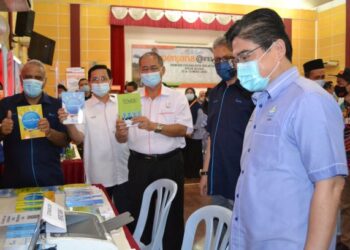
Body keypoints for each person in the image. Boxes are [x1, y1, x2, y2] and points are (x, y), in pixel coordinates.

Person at [226, 8, 347, 250]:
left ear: (278, 49)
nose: (239, 67)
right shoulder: (263, 101)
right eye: (236, 60)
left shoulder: (308, 100)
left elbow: (330, 185)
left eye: (244, 56)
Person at [116, 52, 192, 250]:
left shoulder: (177, 98)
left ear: (162, 70)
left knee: (172, 212)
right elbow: (121, 138)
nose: (148, 73)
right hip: (139, 163)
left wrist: (154, 126)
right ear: (139, 72)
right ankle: (141, 246)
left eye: (153, 68)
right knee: (140, 210)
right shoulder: (129, 100)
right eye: (144, 69)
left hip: (170, 162)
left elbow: (185, 129)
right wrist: (120, 132)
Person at [58, 65, 130, 213]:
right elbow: (78, 138)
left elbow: (133, 134)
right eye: (95, 79)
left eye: (103, 79)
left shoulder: (123, 104)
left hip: (125, 172)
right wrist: (69, 123)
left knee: (126, 216)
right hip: (98, 174)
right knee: (102, 216)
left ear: (110, 81)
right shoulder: (81, 107)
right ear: (90, 83)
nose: (99, 83)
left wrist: (124, 134)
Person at [199, 36, 254, 210]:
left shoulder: (251, 91)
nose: (221, 63)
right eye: (217, 60)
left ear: (237, 58)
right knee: (220, 231)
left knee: (241, 234)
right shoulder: (215, 93)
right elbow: (210, 137)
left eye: (226, 58)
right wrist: (205, 173)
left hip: (243, 179)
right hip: (217, 178)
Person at [0, 59, 69, 188]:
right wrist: (2, 131)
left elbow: (65, 140)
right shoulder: (6, 104)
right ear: (21, 79)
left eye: (38, 77)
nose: (33, 80)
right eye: (28, 77)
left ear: (44, 82)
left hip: (50, 180)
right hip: (14, 182)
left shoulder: (57, 106)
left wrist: (49, 132)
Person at [182, 87, 205, 178]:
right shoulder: (184, 105)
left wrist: (191, 131)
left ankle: (194, 174)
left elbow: (200, 120)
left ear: (194, 94)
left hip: (195, 136)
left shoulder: (198, 106)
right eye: (187, 92)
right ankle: (186, 173)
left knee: (194, 156)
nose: (189, 94)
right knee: (186, 156)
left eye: (191, 92)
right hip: (185, 136)